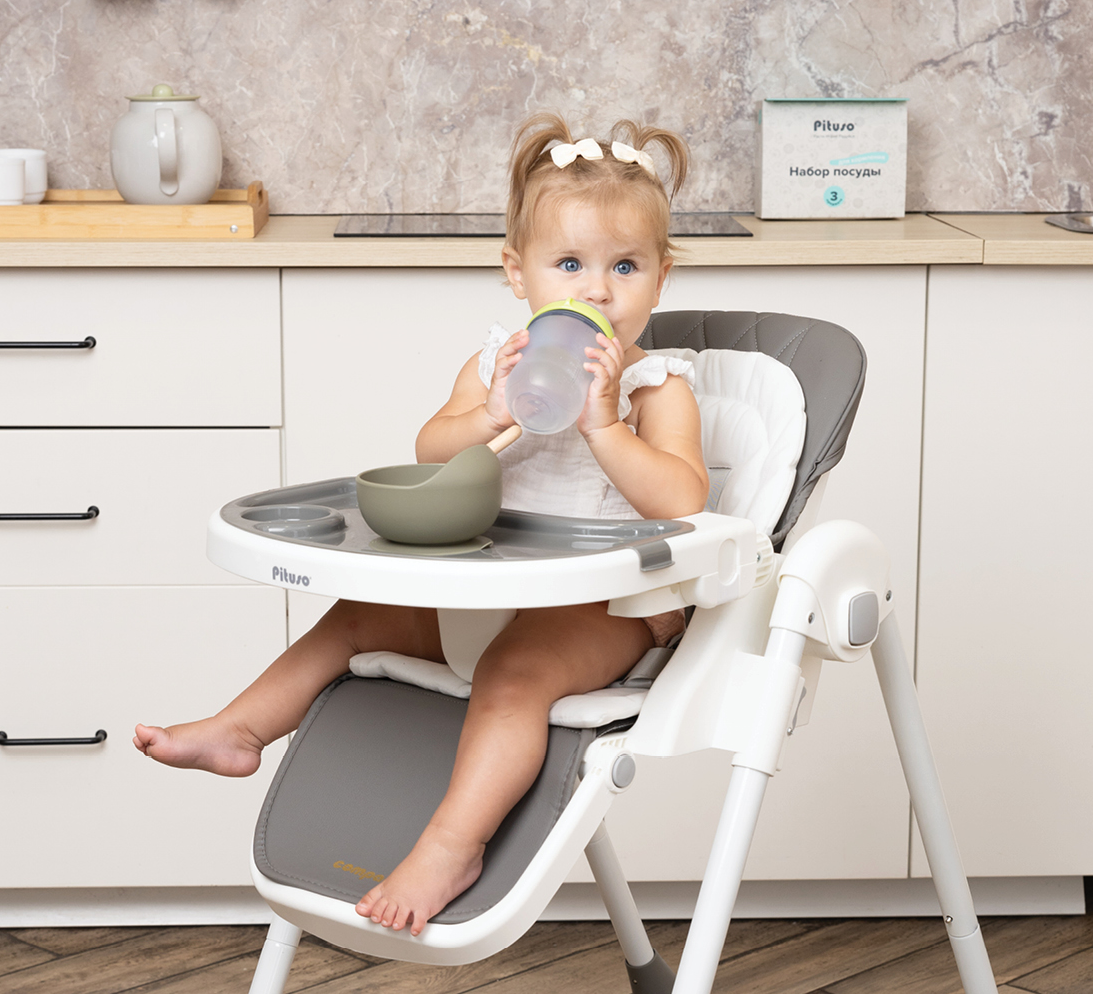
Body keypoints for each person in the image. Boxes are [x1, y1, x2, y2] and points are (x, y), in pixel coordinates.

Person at [133, 113, 708, 935]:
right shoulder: (495, 365)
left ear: (661, 278)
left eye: (625, 266)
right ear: (516, 272)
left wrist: (604, 425)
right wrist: (491, 415)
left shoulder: (657, 387)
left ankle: (450, 845)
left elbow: (682, 499)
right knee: (358, 616)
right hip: (489, 589)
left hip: (603, 606)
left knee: (514, 677)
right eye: (569, 264)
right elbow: (431, 449)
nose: (596, 291)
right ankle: (240, 728)